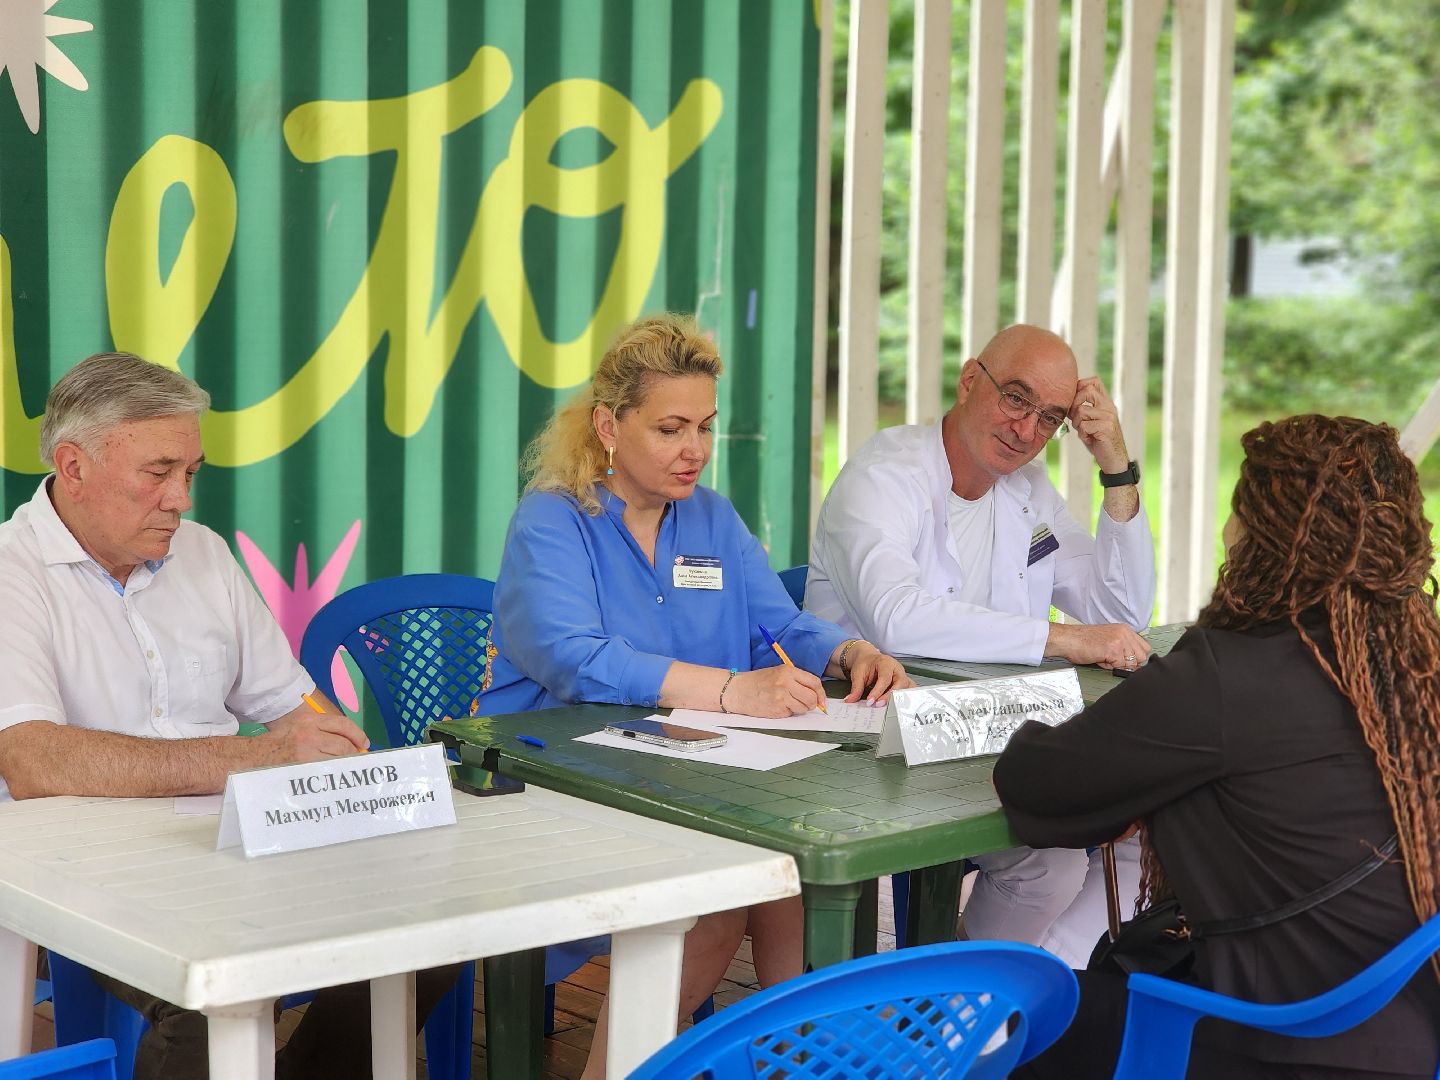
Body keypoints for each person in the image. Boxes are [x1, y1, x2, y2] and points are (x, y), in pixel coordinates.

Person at [0, 353, 461, 1080]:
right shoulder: (10, 571)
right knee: (212, 997)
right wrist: (258, 757)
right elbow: (33, 762)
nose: (181, 498)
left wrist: (342, 752)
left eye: (192, 472)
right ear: (73, 466)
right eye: (158, 472)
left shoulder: (204, 557)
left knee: (429, 930)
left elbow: (291, 704)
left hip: (225, 844)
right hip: (78, 865)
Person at [482, 313, 912, 1078]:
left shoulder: (710, 516)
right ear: (610, 426)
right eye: (671, 428)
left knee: (801, 873)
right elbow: (573, 659)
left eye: (706, 428)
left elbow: (774, 622)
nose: (695, 452)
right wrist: (731, 692)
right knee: (720, 891)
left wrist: (849, 650)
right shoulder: (552, 519)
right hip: (554, 781)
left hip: (694, 775)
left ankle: (810, 1065)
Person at [997, 414, 1440, 1079]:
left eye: (1240, 509)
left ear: (1268, 537)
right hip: (1408, 1033)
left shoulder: (1229, 674)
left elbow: (1035, 784)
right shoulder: (1415, 662)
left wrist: (1027, 722)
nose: (1224, 532)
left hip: (1277, 1046)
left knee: (1037, 1019)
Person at [805, 323, 1156, 951]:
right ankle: (958, 1017)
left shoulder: (1027, 490)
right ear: (971, 380)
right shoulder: (886, 474)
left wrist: (1115, 466)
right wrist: (1062, 640)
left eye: (1050, 418)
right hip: (866, 744)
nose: (1026, 431)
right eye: (1016, 399)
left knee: (1141, 833)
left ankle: (992, 1014)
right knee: (1052, 864)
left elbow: (1117, 607)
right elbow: (897, 618)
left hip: (984, 732)